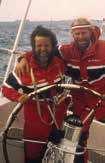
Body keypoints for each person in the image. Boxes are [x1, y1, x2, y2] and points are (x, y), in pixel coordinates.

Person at [15, 18, 105, 163]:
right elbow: (43, 50)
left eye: (83, 32)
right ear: (72, 35)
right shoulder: (65, 50)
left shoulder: (104, 48)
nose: (80, 37)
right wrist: (23, 58)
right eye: (76, 34)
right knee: (79, 135)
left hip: (101, 99)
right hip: (79, 101)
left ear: (91, 31)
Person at [2, 25, 70, 163]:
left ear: (53, 46)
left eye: (47, 45)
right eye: (38, 45)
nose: (43, 49)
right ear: (33, 46)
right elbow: (6, 88)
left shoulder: (59, 63)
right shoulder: (24, 69)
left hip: (58, 118)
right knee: (33, 157)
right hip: (35, 122)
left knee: (55, 152)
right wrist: (19, 97)